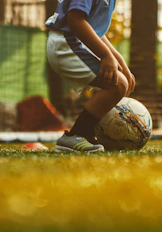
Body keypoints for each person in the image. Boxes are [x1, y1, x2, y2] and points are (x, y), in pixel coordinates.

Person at [46, 0, 136, 153]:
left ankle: (86, 135)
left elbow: (95, 31)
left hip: (71, 43)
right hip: (66, 44)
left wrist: (121, 63)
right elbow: (75, 19)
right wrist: (105, 55)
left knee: (121, 82)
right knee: (118, 84)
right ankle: (76, 135)